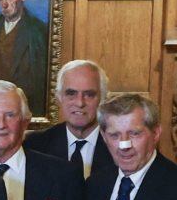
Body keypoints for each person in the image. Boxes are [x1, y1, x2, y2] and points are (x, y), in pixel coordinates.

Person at [26, 59, 113, 187]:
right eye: (71, 94)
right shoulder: (35, 145)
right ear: (59, 97)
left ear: (103, 98)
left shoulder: (117, 146)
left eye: (89, 95)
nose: (80, 103)